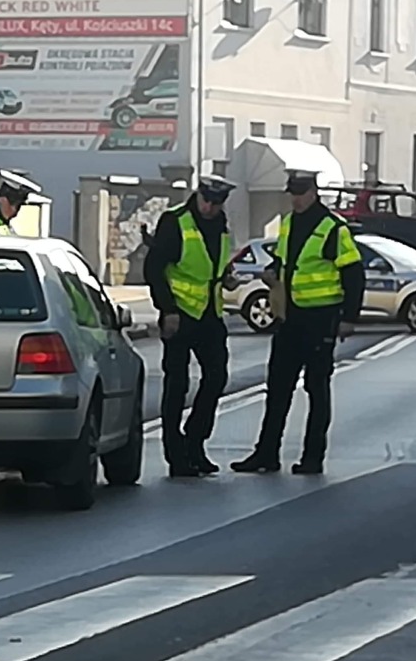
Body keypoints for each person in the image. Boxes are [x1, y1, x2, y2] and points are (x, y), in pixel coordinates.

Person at [232, 170, 365, 477]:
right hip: (290, 318)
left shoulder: (333, 228)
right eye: (291, 192)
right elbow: (284, 260)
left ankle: (313, 457)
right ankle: (266, 453)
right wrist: (272, 271)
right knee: (277, 388)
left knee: (317, 389)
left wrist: (349, 318)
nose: (295, 198)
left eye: (300, 192)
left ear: (314, 192)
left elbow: (353, 273)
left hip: (321, 318)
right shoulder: (290, 223)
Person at [144, 175, 237, 477]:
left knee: (217, 377)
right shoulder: (175, 222)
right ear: (198, 195)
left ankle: (195, 442)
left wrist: (227, 277)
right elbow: (154, 267)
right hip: (180, 315)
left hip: (210, 315)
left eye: (216, 202)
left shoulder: (222, 224)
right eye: (206, 200)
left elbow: (214, 264)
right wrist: (167, 309)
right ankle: (176, 454)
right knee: (177, 385)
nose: (209, 207)